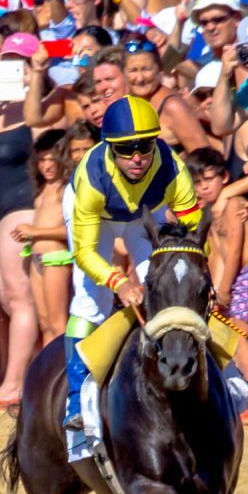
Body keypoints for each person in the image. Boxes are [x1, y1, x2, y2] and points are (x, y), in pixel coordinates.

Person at [61, 96, 202, 463]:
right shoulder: (91, 179)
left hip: (143, 214)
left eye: (145, 146)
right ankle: (75, 403)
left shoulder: (173, 168)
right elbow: (85, 254)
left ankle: (224, 374)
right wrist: (118, 281)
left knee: (170, 286)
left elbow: (192, 228)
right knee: (92, 301)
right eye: (125, 149)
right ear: (111, 148)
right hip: (95, 218)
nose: (137, 157)